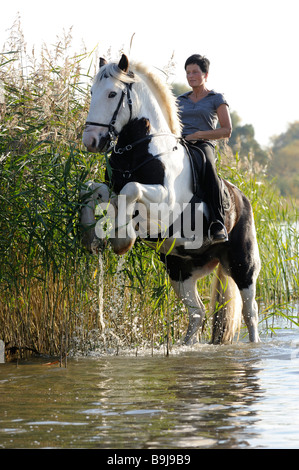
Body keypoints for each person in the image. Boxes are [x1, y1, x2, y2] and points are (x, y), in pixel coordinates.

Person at [177, 54, 232, 243]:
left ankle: (217, 222)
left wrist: (198, 135)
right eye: (187, 73)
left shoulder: (216, 98)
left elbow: (226, 130)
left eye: (195, 72)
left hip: (203, 144)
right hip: (179, 142)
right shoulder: (180, 100)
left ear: (205, 74)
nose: (191, 76)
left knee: (208, 165)